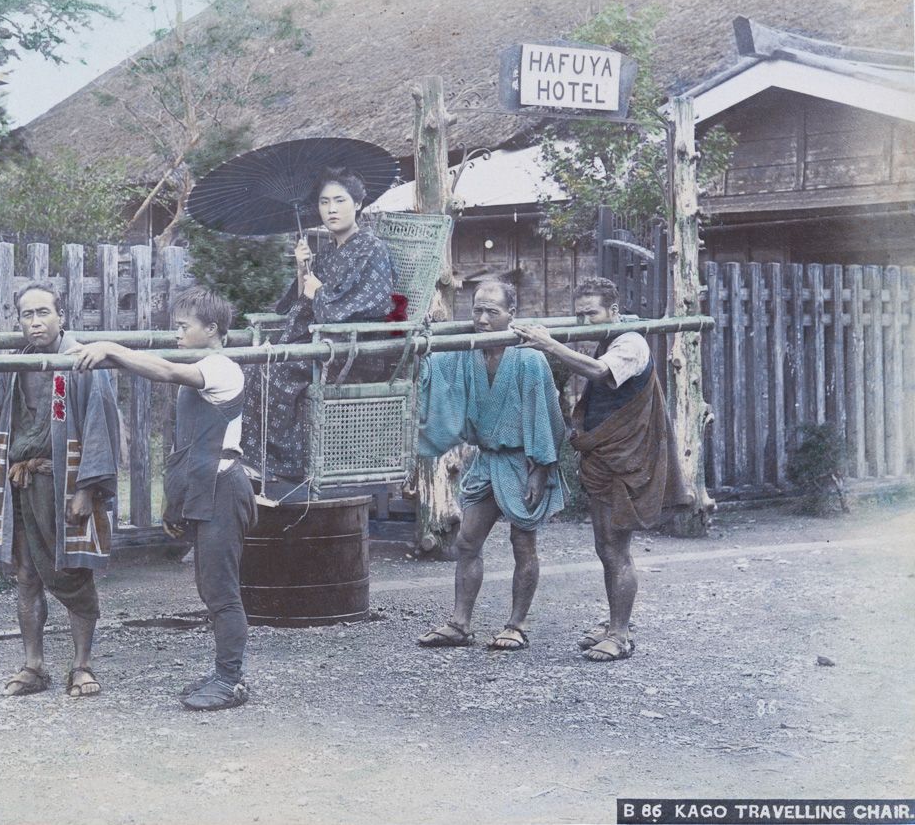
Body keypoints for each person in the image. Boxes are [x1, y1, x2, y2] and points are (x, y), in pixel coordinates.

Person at [70, 287, 256, 711]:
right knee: (210, 587)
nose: (176, 333)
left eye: (183, 326)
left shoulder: (222, 368)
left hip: (225, 490)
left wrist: (111, 349)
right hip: (204, 490)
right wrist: (175, 503)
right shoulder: (200, 367)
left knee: (222, 592)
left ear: (211, 330)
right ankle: (224, 672)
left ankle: (230, 679)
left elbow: (166, 372)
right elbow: (187, 448)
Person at [511, 276, 692, 662]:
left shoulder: (630, 341)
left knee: (616, 549)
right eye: (580, 314)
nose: (585, 320)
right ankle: (613, 623)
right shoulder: (607, 336)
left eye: (591, 313)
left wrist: (548, 344)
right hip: (604, 458)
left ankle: (621, 634)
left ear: (613, 310)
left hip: (626, 460)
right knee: (605, 546)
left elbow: (597, 372)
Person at [0, 282, 122, 697]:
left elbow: (102, 426)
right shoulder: (15, 364)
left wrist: (88, 488)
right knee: (27, 576)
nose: (36, 322)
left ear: (61, 315)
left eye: (43, 312)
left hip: (67, 485)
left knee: (74, 572)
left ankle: (81, 665)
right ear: (19, 321)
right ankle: (34, 665)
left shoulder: (82, 360)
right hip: (21, 485)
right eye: (27, 315)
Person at [416, 281, 566, 650]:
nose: (482, 319)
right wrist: (421, 337)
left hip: (523, 460)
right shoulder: (465, 350)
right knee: (467, 542)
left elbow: (548, 416)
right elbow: (431, 369)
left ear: (511, 315)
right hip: (486, 460)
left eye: (492, 312)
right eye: (477, 310)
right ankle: (460, 623)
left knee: (522, 542)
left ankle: (516, 625)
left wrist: (541, 468)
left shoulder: (529, 358)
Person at [240, 166, 397, 499]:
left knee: (276, 372)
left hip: (353, 349)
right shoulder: (327, 251)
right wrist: (302, 270)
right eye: (325, 202)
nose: (332, 209)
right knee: (254, 367)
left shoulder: (372, 249)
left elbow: (374, 304)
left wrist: (319, 293)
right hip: (319, 340)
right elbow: (301, 303)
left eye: (340, 200)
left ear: (357, 203)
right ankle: (262, 464)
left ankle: (287, 468)